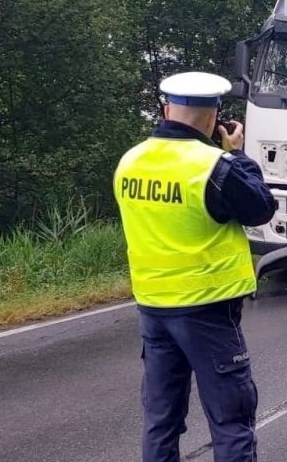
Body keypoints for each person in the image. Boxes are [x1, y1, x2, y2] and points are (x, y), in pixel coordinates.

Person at [113, 71, 277, 462]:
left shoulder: (130, 162)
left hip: (152, 306)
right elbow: (260, 209)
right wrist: (236, 153)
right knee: (231, 420)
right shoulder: (215, 166)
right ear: (213, 116)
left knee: (161, 419)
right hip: (208, 307)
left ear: (166, 108)